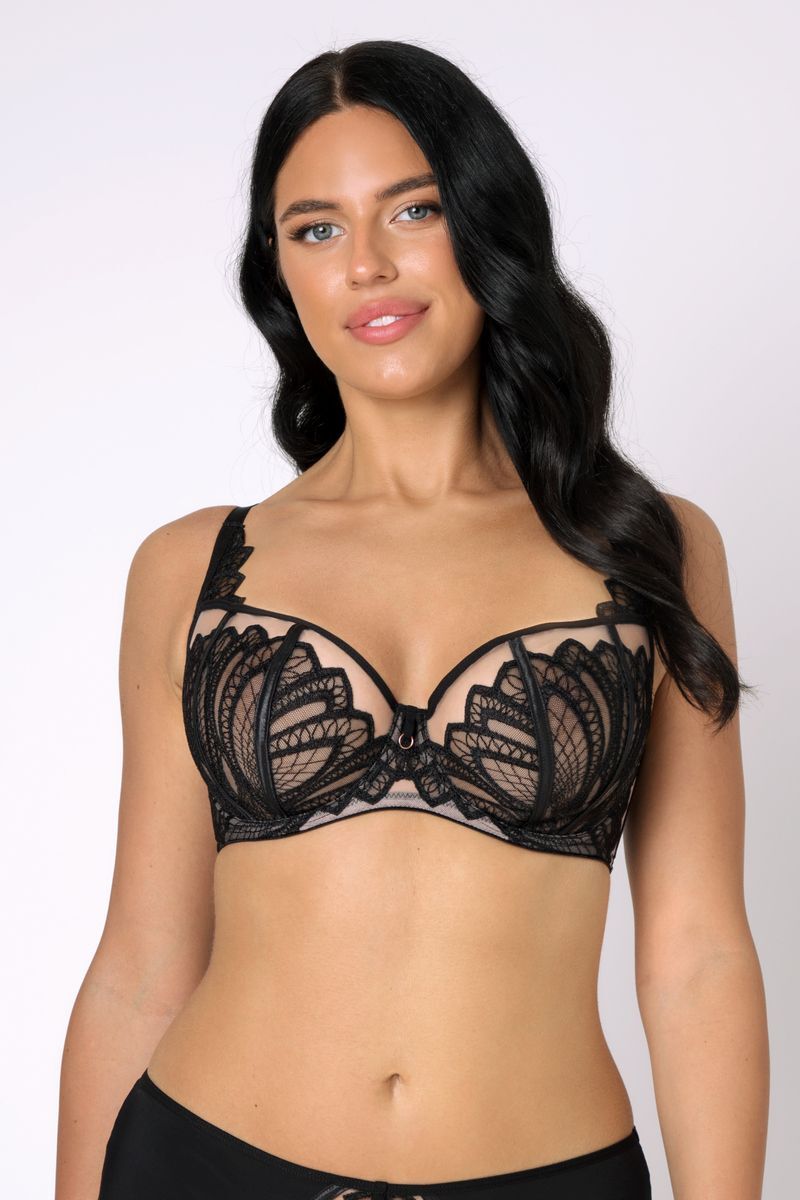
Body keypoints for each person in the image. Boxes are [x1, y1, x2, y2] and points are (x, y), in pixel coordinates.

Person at [56, 38, 769, 1200]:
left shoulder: (652, 550)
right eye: (315, 229)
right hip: (206, 1162)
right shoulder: (191, 568)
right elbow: (140, 962)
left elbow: (696, 956)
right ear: (278, 273)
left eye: (413, 210)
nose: (367, 266)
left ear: (485, 225)